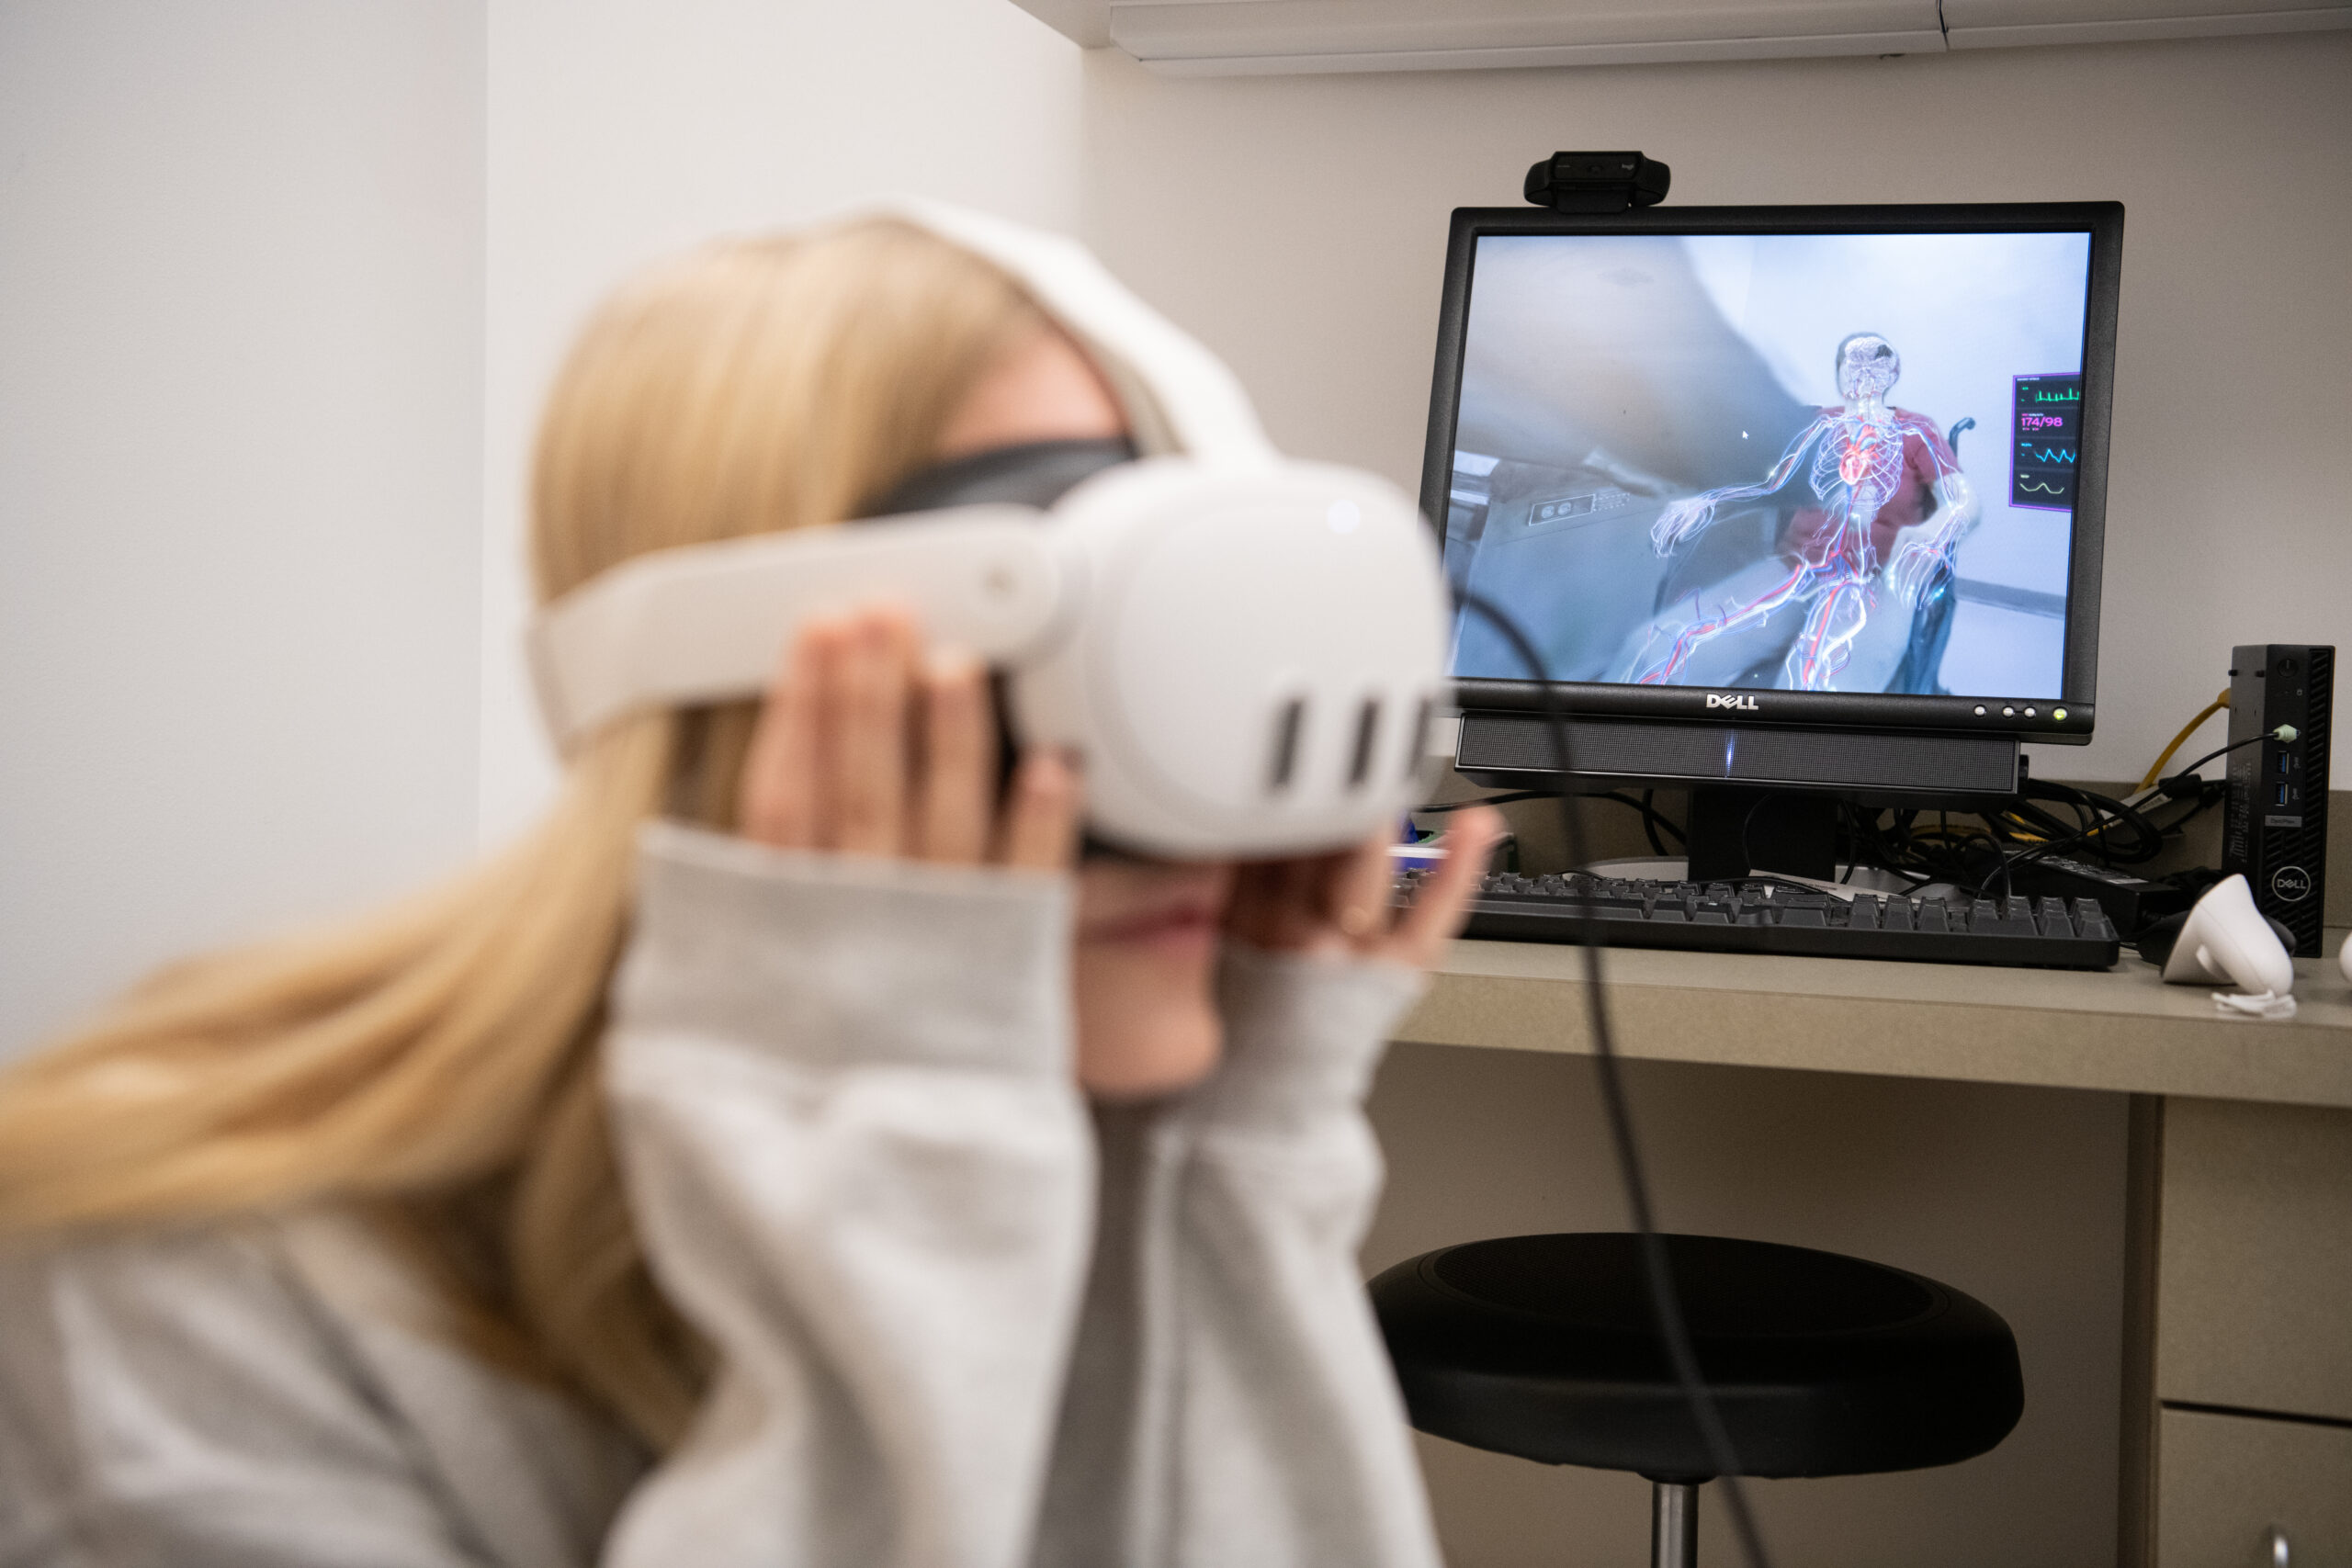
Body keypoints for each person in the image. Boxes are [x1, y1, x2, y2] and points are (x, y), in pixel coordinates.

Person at [0, 214, 1502, 1567]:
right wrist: (895, 1123)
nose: (1189, 805)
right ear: (738, 687)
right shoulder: (194, 1297)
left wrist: (1230, 1170)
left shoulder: (1134, 1166)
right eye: (1052, 650)